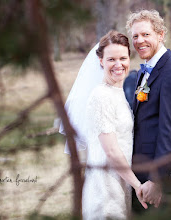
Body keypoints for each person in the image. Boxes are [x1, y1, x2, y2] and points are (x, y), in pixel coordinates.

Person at [60, 30, 157, 219]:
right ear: (101, 61)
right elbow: (111, 151)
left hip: (120, 183)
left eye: (123, 58)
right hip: (105, 189)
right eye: (111, 59)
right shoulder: (100, 97)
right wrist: (138, 186)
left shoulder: (116, 92)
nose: (118, 64)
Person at [126, 9, 171, 219]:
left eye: (146, 34)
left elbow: (169, 132)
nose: (139, 40)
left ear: (161, 35)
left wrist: (156, 181)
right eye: (135, 36)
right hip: (139, 176)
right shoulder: (145, 71)